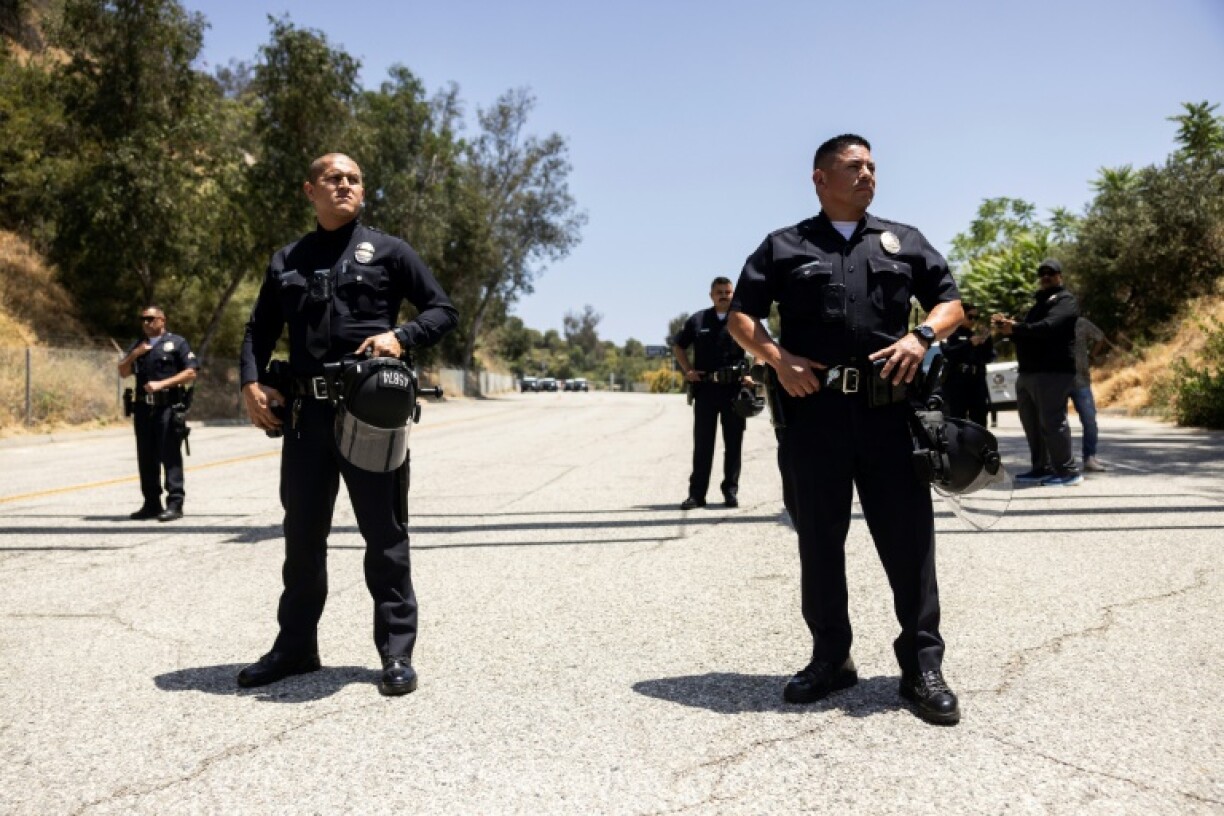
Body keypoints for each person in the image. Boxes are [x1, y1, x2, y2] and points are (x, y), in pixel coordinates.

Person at [728, 134, 965, 726]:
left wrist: (922, 336)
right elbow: (740, 316)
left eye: (872, 166)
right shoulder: (784, 246)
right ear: (819, 178)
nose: (867, 174)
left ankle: (921, 666)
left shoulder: (904, 240)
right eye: (853, 166)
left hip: (890, 416)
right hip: (815, 417)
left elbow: (950, 304)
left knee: (909, 544)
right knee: (819, 542)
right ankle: (832, 658)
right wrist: (777, 359)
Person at [237, 153, 458, 696]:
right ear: (309, 190)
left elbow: (442, 310)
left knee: (384, 536)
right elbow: (258, 330)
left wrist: (399, 337)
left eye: (354, 179)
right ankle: (295, 648)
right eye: (333, 178)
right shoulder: (287, 259)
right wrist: (251, 382)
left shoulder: (389, 251)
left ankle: (395, 652)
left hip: (371, 414)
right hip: (306, 417)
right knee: (301, 536)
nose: (345, 185)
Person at [992, 259, 1081, 486]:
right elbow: (1028, 333)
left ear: (1060, 275)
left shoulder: (1065, 301)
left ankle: (1068, 472)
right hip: (1028, 372)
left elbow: (1050, 327)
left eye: (1050, 272)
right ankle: (1042, 467)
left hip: (1052, 372)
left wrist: (1018, 328)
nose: (1045, 276)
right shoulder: (1038, 304)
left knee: (1052, 422)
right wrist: (1009, 329)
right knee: (1031, 423)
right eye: (1042, 273)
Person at [672, 277, 751, 509]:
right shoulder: (698, 320)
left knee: (733, 444)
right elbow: (678, 346)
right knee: (703, 444)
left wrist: (753, 374)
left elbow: (758, 343)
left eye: (727, 292)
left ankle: (730, 492)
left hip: (734, 391)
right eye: (719, 292)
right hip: (705, 390)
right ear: (711, 295)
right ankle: (697, 495)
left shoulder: (742, 319)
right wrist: (688, 370)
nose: (724, 296)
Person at [117, 305, 198, 522]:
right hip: (143, 409)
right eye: (143, 319)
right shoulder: (139, 345)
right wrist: (135, 354)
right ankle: (151, 503)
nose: (146, 323)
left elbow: (190, 372)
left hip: (167, 407)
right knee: (146, 456)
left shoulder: (177, 343)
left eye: (151, 319)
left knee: (169, 454)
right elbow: (123, 371)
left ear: (162, 320)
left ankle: (175, 503)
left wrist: (162, 384)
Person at [941, 304, 994, 427]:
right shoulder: (950, 334)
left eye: (976, 317)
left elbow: (988, 357)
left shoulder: (975, 335)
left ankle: (980, 445)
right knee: (957, 418)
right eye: (970, 317)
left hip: (976, 381)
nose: (973, 321)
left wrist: (987, 341)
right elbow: (949, 352)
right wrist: (968, 344)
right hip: (957, 382)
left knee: (980, 417)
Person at [1072, 317, 1108, 472]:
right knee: (1056, 423)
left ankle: (1090, 457)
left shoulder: (1081, 323)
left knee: (1089, 419)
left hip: (1081, 380)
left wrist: (1092, 356)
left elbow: (1100, 337)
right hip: (1058, 379)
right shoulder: (1052, 322)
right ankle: (1059, 461)